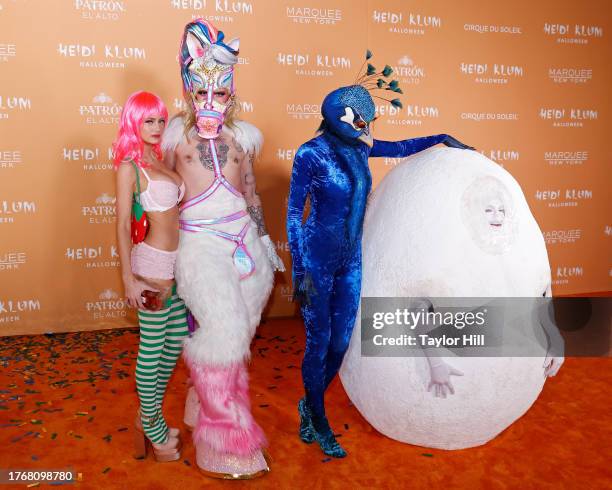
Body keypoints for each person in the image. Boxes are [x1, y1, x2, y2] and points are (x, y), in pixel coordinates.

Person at [286, 53, 474, 458]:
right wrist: (300, 270)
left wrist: (441, 137)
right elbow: (292, 215)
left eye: (369, 121)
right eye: (360, 120)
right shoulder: (309, 154)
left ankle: (309, 404)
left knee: (339, 342)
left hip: (350, 262)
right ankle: (318, 420)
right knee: (317, 343)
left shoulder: (360, 148)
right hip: (317, 264)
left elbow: (402, 146)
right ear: (339, 116)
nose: (367, 129)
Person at [161, 19, 284, 479]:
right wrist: (155, 255)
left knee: (240, 331)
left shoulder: (243, 139)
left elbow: (251, 191)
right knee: (224, 328)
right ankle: (224, 438)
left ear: (231, 96)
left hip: (245, 244)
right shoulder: (174, 138)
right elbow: (158, 195)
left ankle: (199, 403)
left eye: (220, 95)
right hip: (201, 246)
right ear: (190, 93)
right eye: (201, 95)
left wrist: (266, 241)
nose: (210, 104)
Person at [114, 91, 188, 462]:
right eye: (148, 121)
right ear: (134, 123)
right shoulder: (130, 166)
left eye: (160, 120)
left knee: (172, 345)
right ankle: (156, 432)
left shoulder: (159, 160)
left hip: (178, 267)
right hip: (152, 269)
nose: (157, 127)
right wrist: (129, 279)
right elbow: (122, 226)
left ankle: (148, 418)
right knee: (151, 352)